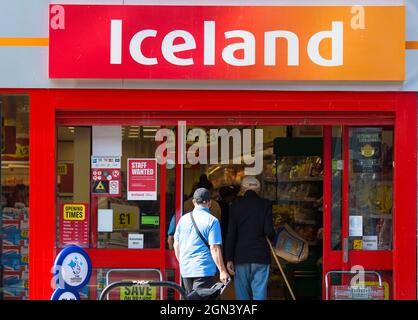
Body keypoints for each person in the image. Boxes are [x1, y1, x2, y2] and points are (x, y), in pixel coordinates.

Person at [225, 176, 275, 300]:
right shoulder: (265, 205)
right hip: (260, 255)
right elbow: (268, 231)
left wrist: (229, 259)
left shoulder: (235, 207)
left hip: (241, 256)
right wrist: (273, 238)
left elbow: (231, 235)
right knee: (259, 291)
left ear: (243, 189)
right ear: (258, 190)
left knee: (242, 294)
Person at [173, 188, 230, 296]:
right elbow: (214, 248)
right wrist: (222, 270)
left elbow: (176, 244)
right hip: (204, 269)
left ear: (194, 202)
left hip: (186, 270)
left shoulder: (183, 219)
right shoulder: (212, 221)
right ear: (209, 203)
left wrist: (183, 262)